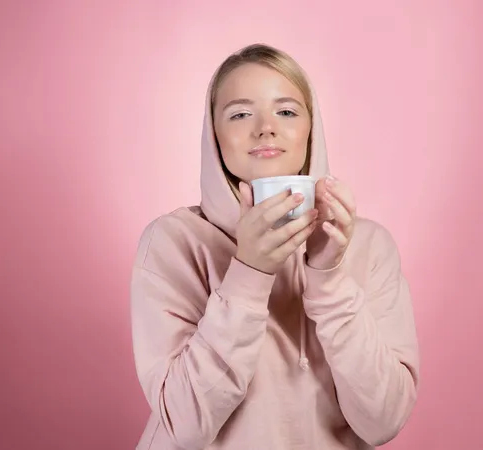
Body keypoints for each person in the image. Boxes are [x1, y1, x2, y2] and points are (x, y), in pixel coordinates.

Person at [129, 43, 420, 450]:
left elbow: (384, 421)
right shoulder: (171, 242)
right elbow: (184, 425)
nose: (266, 127)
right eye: (240, 113)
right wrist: (248, 272)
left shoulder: (367, 245)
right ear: (214, 134)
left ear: (311, 129)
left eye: (286, 111)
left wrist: (328, 279)